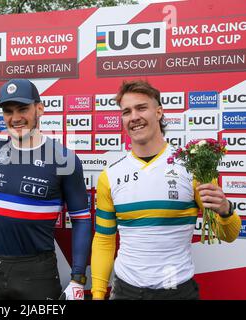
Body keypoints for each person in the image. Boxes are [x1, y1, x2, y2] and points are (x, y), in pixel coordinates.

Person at [0, 75, 92, 300]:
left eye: (22, 109)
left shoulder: (65, 160)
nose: (15, 118)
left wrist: (78, 277)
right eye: (8, 111)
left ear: (39, 109)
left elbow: (81, 219)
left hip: (37, 273)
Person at [91, 80, 242, 300]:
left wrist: (226, 210)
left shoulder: (193, 167)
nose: (134, 117)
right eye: (126, 111)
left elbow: (228, 235)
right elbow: (104, 239)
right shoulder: (110, 175)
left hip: (177, 292)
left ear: (159, 111)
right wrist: (97, 294)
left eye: (141, 108)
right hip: (125, 292)